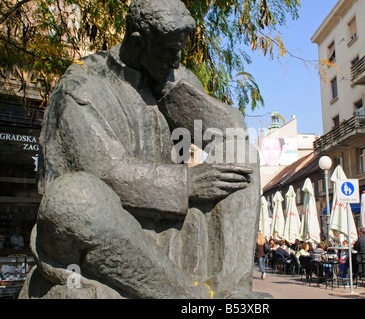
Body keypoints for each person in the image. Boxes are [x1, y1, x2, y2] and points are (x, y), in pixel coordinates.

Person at [21, 0, 262, 300]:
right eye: (168, 51)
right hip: (112, 233)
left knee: (241, 155)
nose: (176, 61)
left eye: (180, 51)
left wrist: (178, 98)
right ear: (137, 42)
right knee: (76, 196)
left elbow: (233, 134)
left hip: (174, 232)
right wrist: (186, 184)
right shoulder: (82, 85)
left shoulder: (174, 78)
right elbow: (106, 174)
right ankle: (192, 298)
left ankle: (231, 290)